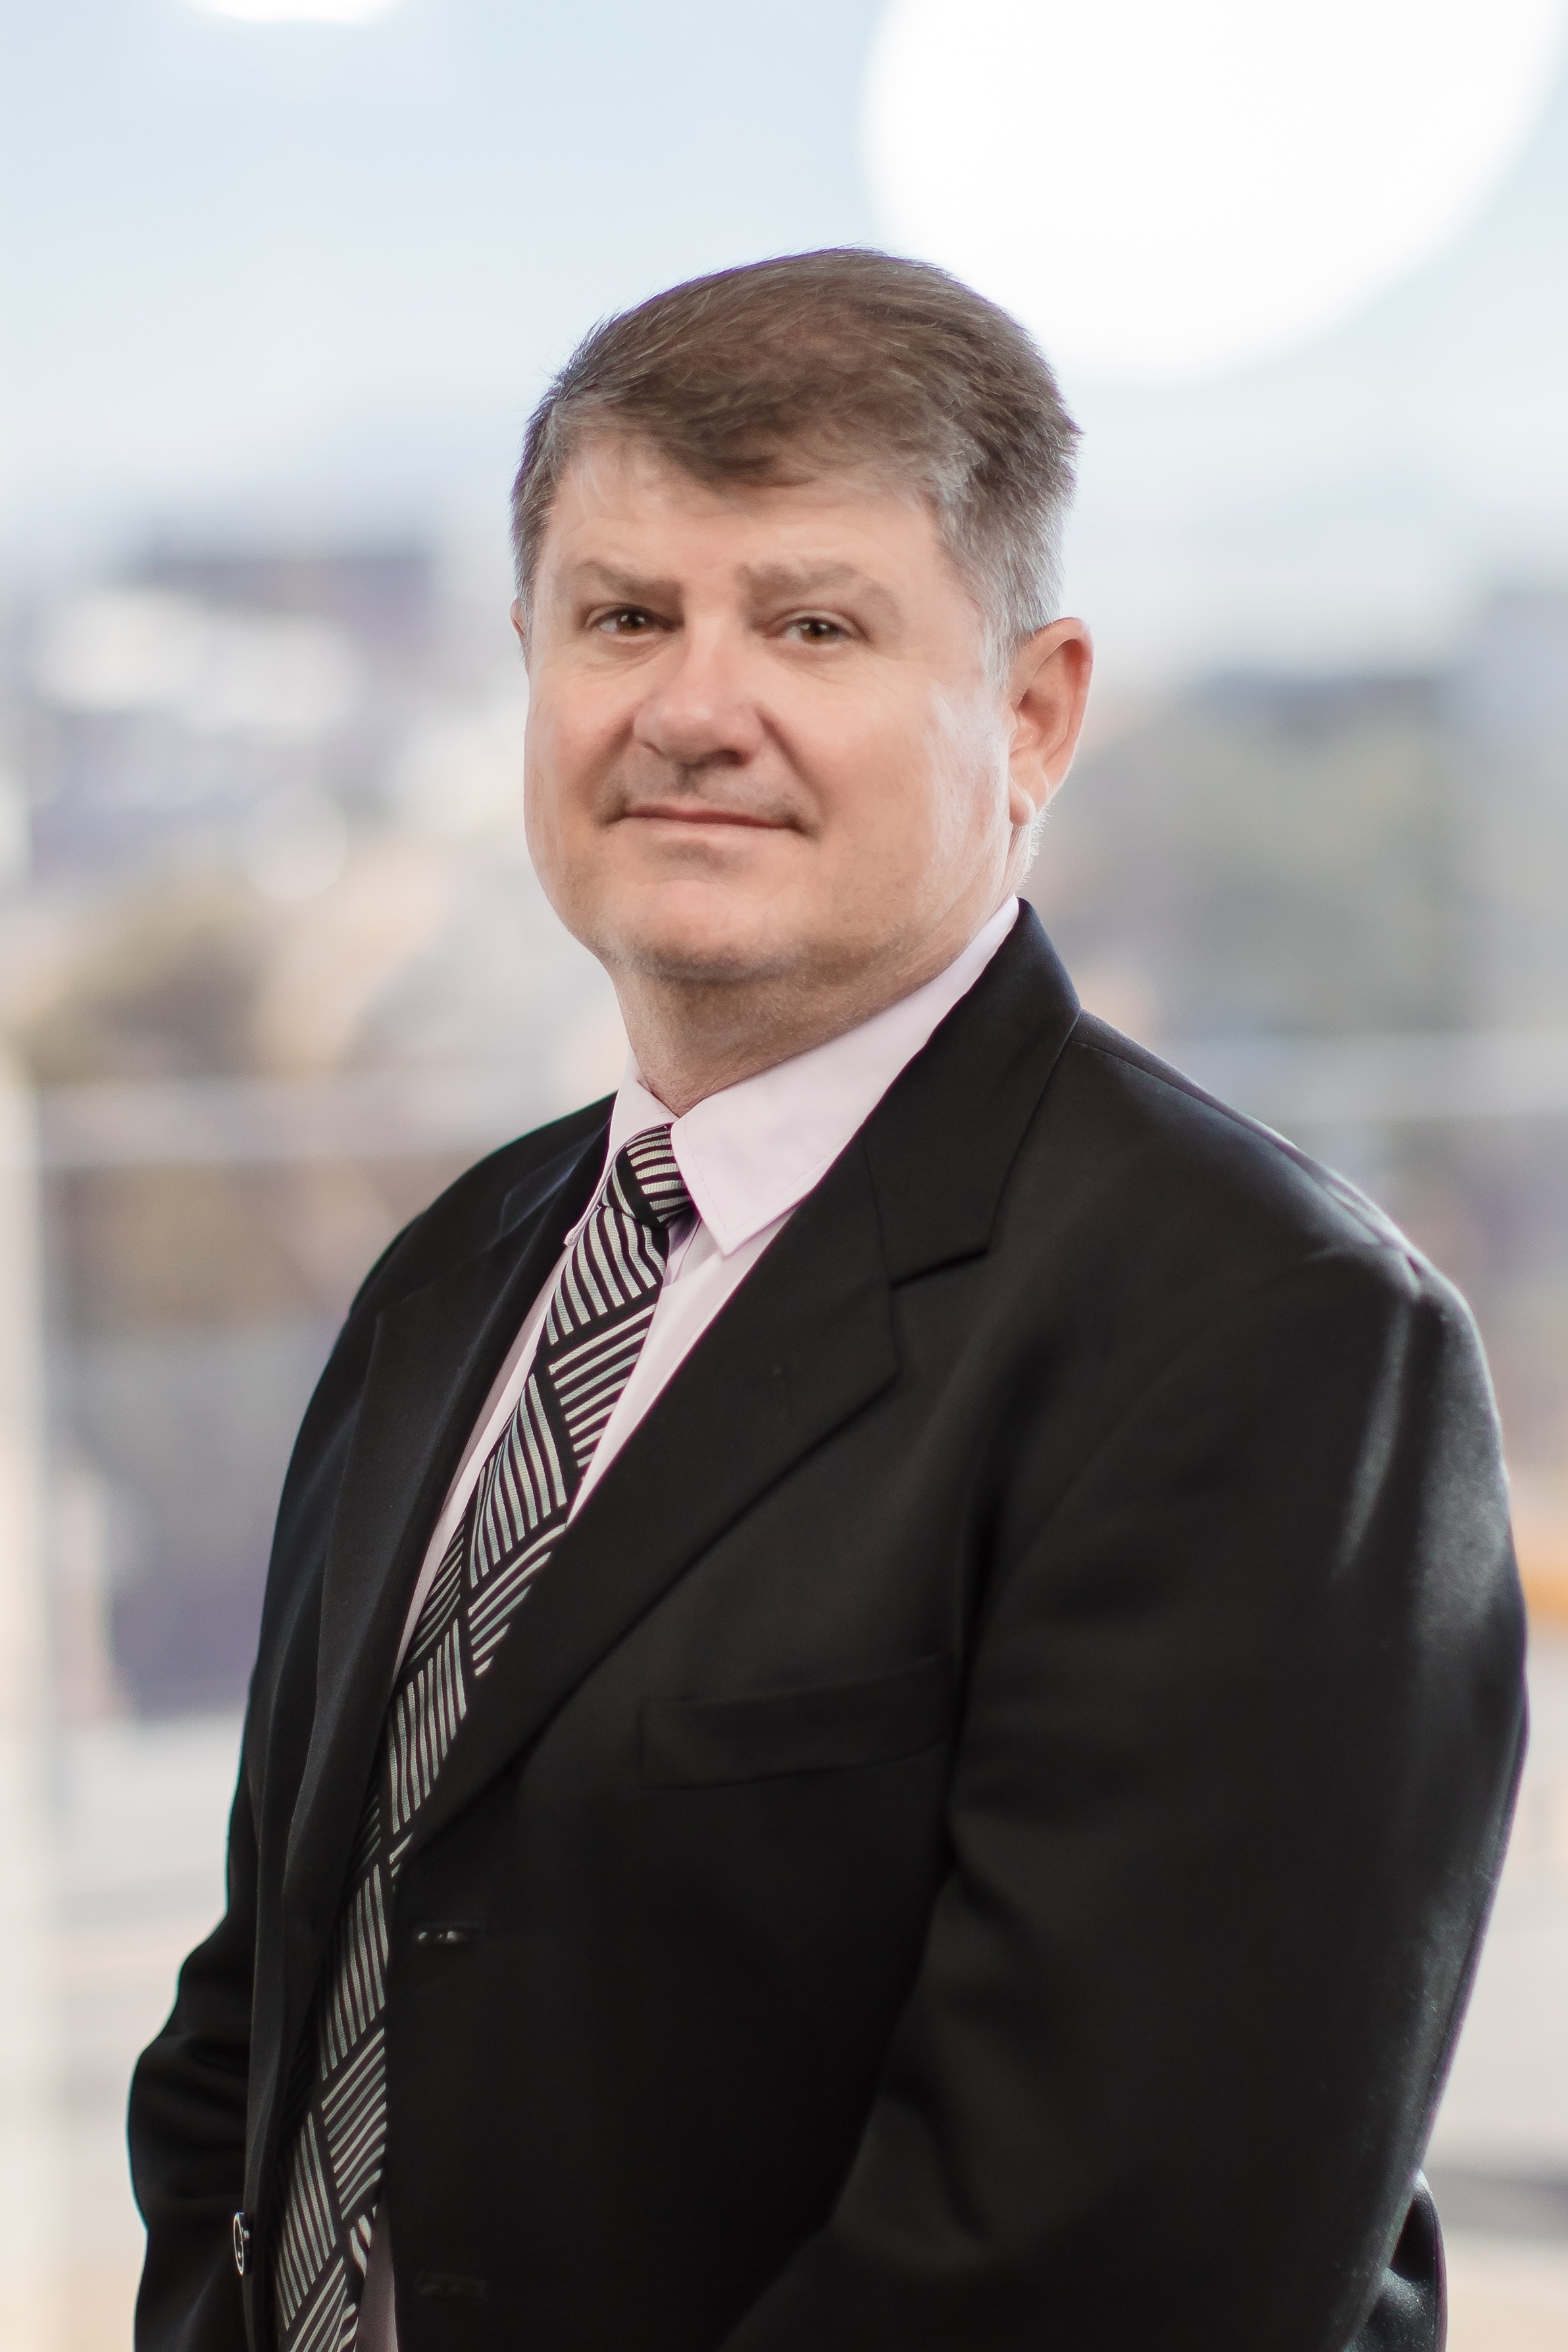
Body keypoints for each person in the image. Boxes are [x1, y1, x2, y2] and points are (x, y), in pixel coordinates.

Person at [129, 249, 1526, 2352]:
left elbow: (1112, 2265)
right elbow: (270, 2013)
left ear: (1032, 714)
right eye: (624, 618)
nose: (695, 709)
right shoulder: (460, 1269)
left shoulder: (1273, 1341)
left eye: (811, 625)